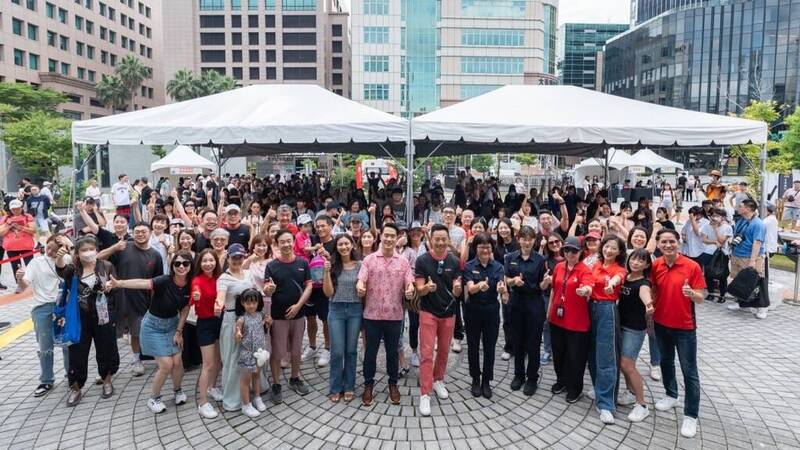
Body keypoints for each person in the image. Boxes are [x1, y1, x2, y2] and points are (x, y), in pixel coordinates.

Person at [105, 250, 194, 414]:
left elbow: (185, 309)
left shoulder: (191, 284)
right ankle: (154, 397)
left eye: (185, 263)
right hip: (153, 326)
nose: (181, 266)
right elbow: (142, 283)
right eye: (177, 263)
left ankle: (177, 390)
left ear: (190, 266)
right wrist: (120, 283)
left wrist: (179, 331)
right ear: (172, 265)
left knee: (177, 362)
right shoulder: (164, 281)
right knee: (166, 365)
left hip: (173, 325)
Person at [650, 228, 706, 438]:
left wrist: (692, 294)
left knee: (689, 371)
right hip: (661, 324)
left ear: (678, 243)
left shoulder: (692, 266)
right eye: (663, 242)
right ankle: (671, 394)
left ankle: (691, 415)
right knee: (665, 361)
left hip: (685, 328)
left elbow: (701, 296)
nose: (668, 245)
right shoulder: (656, 265)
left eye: (671, 242)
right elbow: (653, 290)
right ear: (658, 244)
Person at [55, 235, 119, 407]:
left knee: (106, 348)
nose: (88, 253)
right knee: (77, 352)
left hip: (103, 315)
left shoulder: (106, 266)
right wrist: (60, 257)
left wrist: (110, 288)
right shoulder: (73, 270)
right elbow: (61, 270)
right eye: (84, 250)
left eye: (91, 249)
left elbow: (115, 289)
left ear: (97, 250)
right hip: (79, 317)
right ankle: (76, 387)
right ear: (77, 253)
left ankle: (107, 379)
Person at [357, 223, 415, 406]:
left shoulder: (403, 262)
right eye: (386, 235)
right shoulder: (369, 260)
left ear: (397, 237)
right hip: (372, 315)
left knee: (392, 352)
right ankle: (368, 385)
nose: (389, 239)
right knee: (370, 352)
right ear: (380, 236)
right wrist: (360, 286)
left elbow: (410, 283)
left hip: (394, 315)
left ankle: (393, 384)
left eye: (392, 236)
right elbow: (361, 279)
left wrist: (410, 290)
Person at [99, 221, 164, 376]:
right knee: (111, 335)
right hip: (116, 299)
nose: (140, 234)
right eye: (137, 231)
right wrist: (114, 247)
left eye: (143, 231)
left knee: (137, 332)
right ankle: (106, 368)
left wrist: (154, 305)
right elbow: (97, 258)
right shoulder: (123, 247)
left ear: (150, 233)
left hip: (141, 300)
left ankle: (138, 360)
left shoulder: (155, 255)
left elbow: (156, 283)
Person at [414, 224, 463, 416]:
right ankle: (425, 392)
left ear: (448, 240)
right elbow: (418, 288)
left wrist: (458, 288)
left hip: (449, 313)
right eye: (437, 239)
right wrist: (427, 288)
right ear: (431, 239)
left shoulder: (454, 260)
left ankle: (438, 380)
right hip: (428, 312)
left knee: (443, 351)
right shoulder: (422, 260)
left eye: (444, 239)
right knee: (426, 353)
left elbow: (457, 283)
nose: (441, 242)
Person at [15, 234, 71, 397]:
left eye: (57, 247)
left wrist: (70, 245)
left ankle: (71, 375)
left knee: (68, 343)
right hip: (43, 307)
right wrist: (20, 278)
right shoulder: (36, 262)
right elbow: (25, 284)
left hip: (64, 306)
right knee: (45, 346)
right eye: (49, 246)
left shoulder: (67, 260)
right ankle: (46, 380)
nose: (51, 250)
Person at [264, 230, 313, 404]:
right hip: (278, 316)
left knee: (296, 349)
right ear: (277, 244)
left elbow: (309, 286)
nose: (285, 244)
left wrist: (298, 305)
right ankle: (276, 384)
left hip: (299, 315)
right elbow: (266, 287)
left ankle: (294, 378)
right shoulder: (271, 266)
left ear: (293, 242)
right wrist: (268, 289)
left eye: (288, 241)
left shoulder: (302, 263)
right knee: (277, 352)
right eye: (282, 242)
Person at [587, 235, 627, 425]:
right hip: (590, 307)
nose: (608, 250)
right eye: (606, 246)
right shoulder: (595, 264)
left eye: (613, 248)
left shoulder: (619, 269)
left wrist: (612, 284)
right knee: (593, 352)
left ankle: (606, 404)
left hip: (607, 309)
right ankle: (598, 387)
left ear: (619, 252)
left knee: (607, 356)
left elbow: (618, 279)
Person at [547, 236, 593, 403]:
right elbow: (554, 289)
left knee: (575, 357)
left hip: (577, 322)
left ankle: (575, 387)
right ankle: (562, 381)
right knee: (558, 353)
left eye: (574, 250)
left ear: (580, 252)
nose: (570, 253)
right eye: (567, 250)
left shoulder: (585, 270)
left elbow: (589, 286)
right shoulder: (559, 267)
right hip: (557, 319)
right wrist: (549, 310)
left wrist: (586, 290)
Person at [504, 225, 547, 397]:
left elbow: (543, 284)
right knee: (517, 341)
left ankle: (532, 378)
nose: (527, 242)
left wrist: (545, 283)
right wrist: (513, 281)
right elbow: (506, 279)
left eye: (530, 239)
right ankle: (519, 375)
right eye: (524, 238)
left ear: (534, 240)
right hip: (516, 302)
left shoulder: (540, 260)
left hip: (534, 303)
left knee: (533, 343)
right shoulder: (510, 258)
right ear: (518, 239)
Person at [463, 233, 508, 399]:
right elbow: (469, 288)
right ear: (476, 248)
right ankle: (475, 378)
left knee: (490, 346)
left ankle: (486, 380)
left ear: (492, 248)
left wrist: (502, 290)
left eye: (488, 247)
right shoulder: (468, 266)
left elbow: (502, 288)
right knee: (473, 346)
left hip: (491, 311)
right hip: (473, 310)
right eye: (481, 246)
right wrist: (478, 286)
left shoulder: (498, 267)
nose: (485, 249)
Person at [217, 243, 257, 412]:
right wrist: (218, 304)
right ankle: (233, 399)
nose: (237, 260)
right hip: (232, 319)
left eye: (240, 257)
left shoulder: (248, 274)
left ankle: (249, 393)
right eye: (234, 257)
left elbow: (256, 293)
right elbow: (220, 297)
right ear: (228, 258)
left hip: (249, 318)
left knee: (249, 356)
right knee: (232, 359)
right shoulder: (223, 278)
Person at [322, 234, 362, 403]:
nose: (344, 247)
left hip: (355, 309)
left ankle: (350, 385)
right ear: (336, 247)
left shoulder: (361, 265)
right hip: (336, 309)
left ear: (352, 245)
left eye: (347, 243)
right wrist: (326, 272)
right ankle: (336, 386)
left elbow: (364, 288)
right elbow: (328, 293)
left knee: (351, 350)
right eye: (340, 244)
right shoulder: (332, 265)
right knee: (337, 351)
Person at [617, 249, 654, 422]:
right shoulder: (625, 277)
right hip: (621, 325)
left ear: (647, 265)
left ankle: (642, 404)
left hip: (634, 329)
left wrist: (648, 304)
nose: (636, 262)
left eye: (641, 261)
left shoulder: (644, 283)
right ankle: (631, 393)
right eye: (634, 259)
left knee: (627, 364)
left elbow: (645, 295)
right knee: (623, 364)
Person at [191, 249, 223, 419]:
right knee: (208, 364)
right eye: (205, 261)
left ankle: (212, 387)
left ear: (216, 262)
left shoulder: (220, 278)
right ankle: (202, 402)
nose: (208, 264)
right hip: (205, 324)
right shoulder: (197, 280)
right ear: (200, 263)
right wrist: (196, 296)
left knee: (218, 361)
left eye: (211, 260)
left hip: (221, 322)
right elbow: (195, 293)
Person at [727, 199, 769, 319]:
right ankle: (741, 303)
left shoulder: (758, 224)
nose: (737, 208)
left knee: (757, 281)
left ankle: (762, 307)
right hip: (737, 254)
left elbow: (757, 243)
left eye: (741, 206)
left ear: (748, 209)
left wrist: (752, 261)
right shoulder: (741, 220)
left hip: (750, 256)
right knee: (738, 280)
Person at [234, 288, 270, 418]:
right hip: (247, 353)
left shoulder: (260, 315)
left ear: (258, 303)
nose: (251, 306)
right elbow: (237, 337)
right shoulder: (241, 319)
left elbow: (266, 327)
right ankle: (246, 404)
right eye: (248, 303)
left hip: (259, 352)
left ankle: (257, 397)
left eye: (254, 303)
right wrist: (238, 334)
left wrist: (269, 322)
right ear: (242, 303)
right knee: (246, 379)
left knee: (257, 375)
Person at [0, 199, 37, 292]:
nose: (16, 210)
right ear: (10, 209)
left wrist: (20, 227)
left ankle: (35, 283)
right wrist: (8, 226)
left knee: (30, 265)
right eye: (14, 209)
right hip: (11, 247)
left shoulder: (27, 216)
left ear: (21, 208)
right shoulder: (5, 218)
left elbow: (33, 230)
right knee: (15, 266)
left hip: (26, 245)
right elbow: (1, 233)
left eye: (18, 208)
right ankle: (20, 284)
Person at [700, 208, 733, 302]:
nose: (714, 218)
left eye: (717, 216)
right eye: (713, 216)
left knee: (722, 275)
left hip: (722, 253)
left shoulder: (727, 227)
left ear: (722, 217)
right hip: (708, 252)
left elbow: (722, 240)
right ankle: (711, 293)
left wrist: (716, 229)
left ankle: (722, 295)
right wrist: (714, 241)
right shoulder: (706, 226)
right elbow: (704, 240)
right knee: (708, 274)